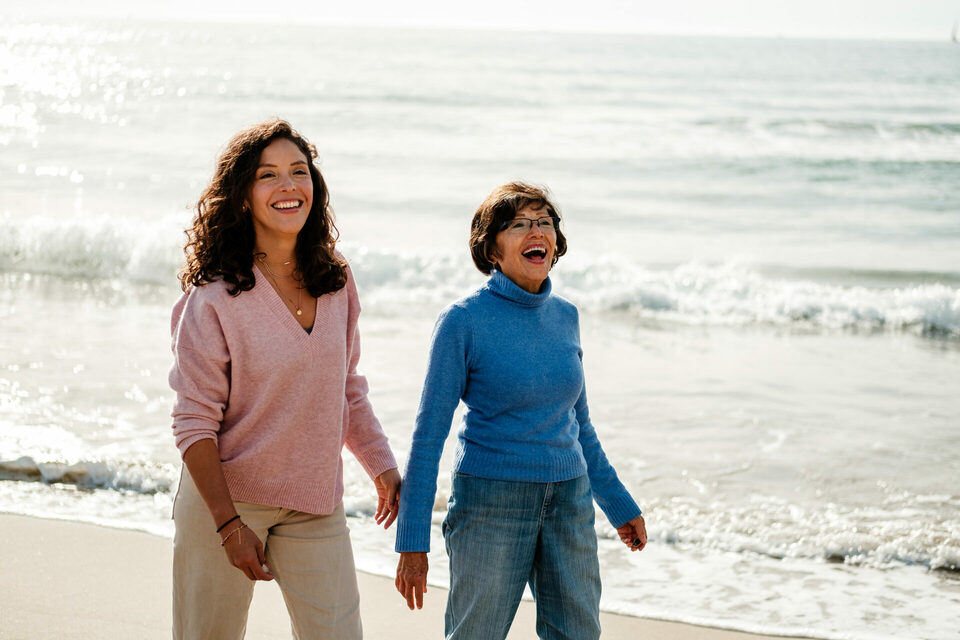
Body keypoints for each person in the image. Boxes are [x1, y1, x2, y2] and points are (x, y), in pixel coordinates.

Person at [169, 118, 400, 640]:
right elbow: (193, 425)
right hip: (225, 501)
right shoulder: (212, 299)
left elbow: (346, 385)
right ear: (244, 197)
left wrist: (380, 463)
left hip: (315, 500)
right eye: (268, 175)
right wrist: (229, 526)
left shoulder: (336, 279)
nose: (288, 186)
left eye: (299, 172)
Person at [394, 182, 647, 640]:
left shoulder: (566, 316)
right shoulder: (462, 321)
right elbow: (429, 434)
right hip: (491, 502)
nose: (538, 232)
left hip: (569, 501)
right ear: (492, 248)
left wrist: (617, 503)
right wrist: (412, 541)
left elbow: (580, 425)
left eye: (545, 223)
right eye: (520, 224)